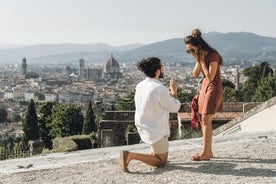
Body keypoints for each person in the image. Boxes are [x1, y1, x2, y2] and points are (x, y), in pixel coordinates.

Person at [120, 57, 181, 172]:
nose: (163, 69)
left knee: (157, 151)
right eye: (162, 67)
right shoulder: (159, 88)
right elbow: (175, 107)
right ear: (157, 71)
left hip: (143, 126)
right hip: (156, 130)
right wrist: (174, 92)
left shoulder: (140, 85)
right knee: (162, 162)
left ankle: (152, 153)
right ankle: (130, 156)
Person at [184, 29, 223, 161]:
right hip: (204, 88)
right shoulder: (200, 56)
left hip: (213, 88)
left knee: (206, 119)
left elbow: (211, 77)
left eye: (192, 50)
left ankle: (206, 152)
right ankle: (207, 151)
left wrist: (201, 61)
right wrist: (198, 58)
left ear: (199, 46)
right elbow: (195, 74)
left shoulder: (213, 55)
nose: (191, 53)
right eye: (188, 51)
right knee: (202, 119)